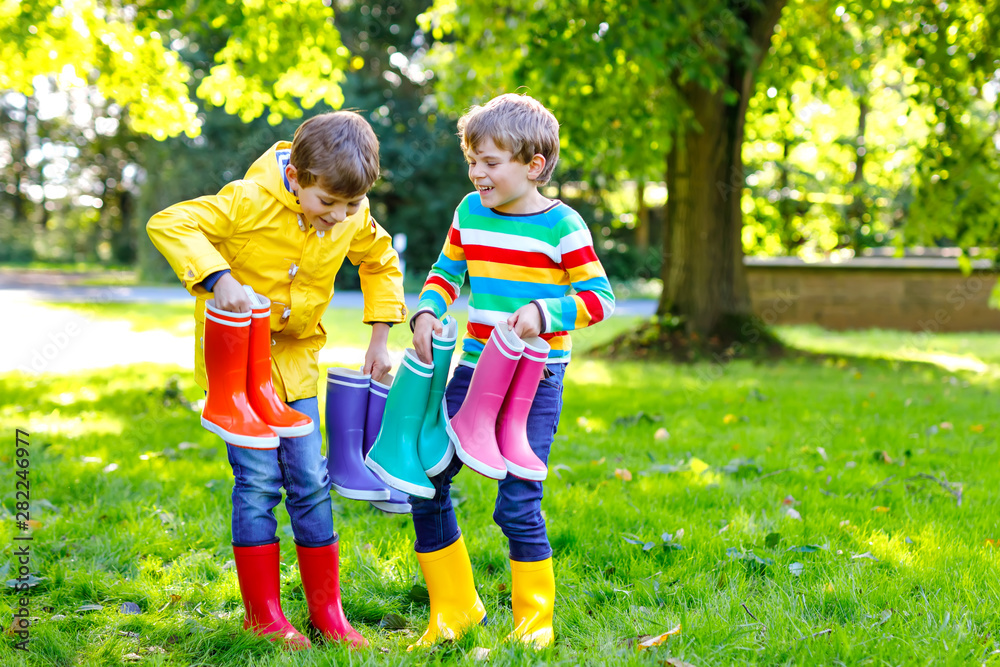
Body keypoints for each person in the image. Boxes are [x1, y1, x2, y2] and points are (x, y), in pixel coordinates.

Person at [146, 111, 406, 650]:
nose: (338, 217)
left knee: (310, 480)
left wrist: (380, 336)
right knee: (259, 481)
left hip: (296, 364)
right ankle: (262, 615)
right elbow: (170, 222)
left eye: (351, 206)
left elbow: (380, 261)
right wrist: (219, 279)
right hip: (239, 369)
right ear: (296, 179)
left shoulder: (350, 212)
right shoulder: (248, 201)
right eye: (327, 204)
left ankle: (327, 614)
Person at [408, 93, 615, 649]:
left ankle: (534, 623)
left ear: (533, 166)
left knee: (517, 502)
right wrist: (429, 306)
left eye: (490, 162)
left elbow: (600, 299)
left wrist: (544, 314)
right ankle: (454, 610)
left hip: (533, 383)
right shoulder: (468, 212)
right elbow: (446, 270)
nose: (477, 173)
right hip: (471, 371)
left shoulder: (562, 226)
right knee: (426, 480)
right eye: (472, 160)